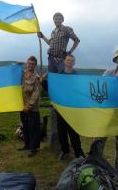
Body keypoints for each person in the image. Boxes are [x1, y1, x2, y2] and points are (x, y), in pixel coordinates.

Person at [37, 12, 80, 148]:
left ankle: (65, 100)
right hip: (51, 58)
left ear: (62, 19)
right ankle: (53, 101)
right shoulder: (53, 31)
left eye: (59, 18)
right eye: (55, 18)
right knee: (52, 81)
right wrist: (42, 36)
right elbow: (50, 43)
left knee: (63, 80)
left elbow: (77, 40)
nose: (57, 20)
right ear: (53, 20)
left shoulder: (67, 29)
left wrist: (69, 52)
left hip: (61, 58)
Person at [56, 55, 85, 160]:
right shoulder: (59, 75)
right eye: (68, 60)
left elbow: (80, 91)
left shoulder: (77, 76)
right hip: (61, 108)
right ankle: (65, 151)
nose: (69, 62)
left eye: (72, 60)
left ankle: (79, 153)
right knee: (61, 132)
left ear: (74, 63)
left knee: (73, 132)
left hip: (73, 109)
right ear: (64, 61)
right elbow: (55, 90)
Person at [18, 56, 41, 157]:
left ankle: (33, 148)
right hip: (22, 106)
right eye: (29, 63)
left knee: (33, 129)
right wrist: (16, 66)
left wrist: (29, 106)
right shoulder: (22, 74)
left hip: (32, 108)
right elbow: (11, 74)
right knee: (25, 127)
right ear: (26, 64)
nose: (30, 65)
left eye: (32, 64)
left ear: (35, 65)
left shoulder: (37, 77)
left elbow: (36, 93)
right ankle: (26, 145)